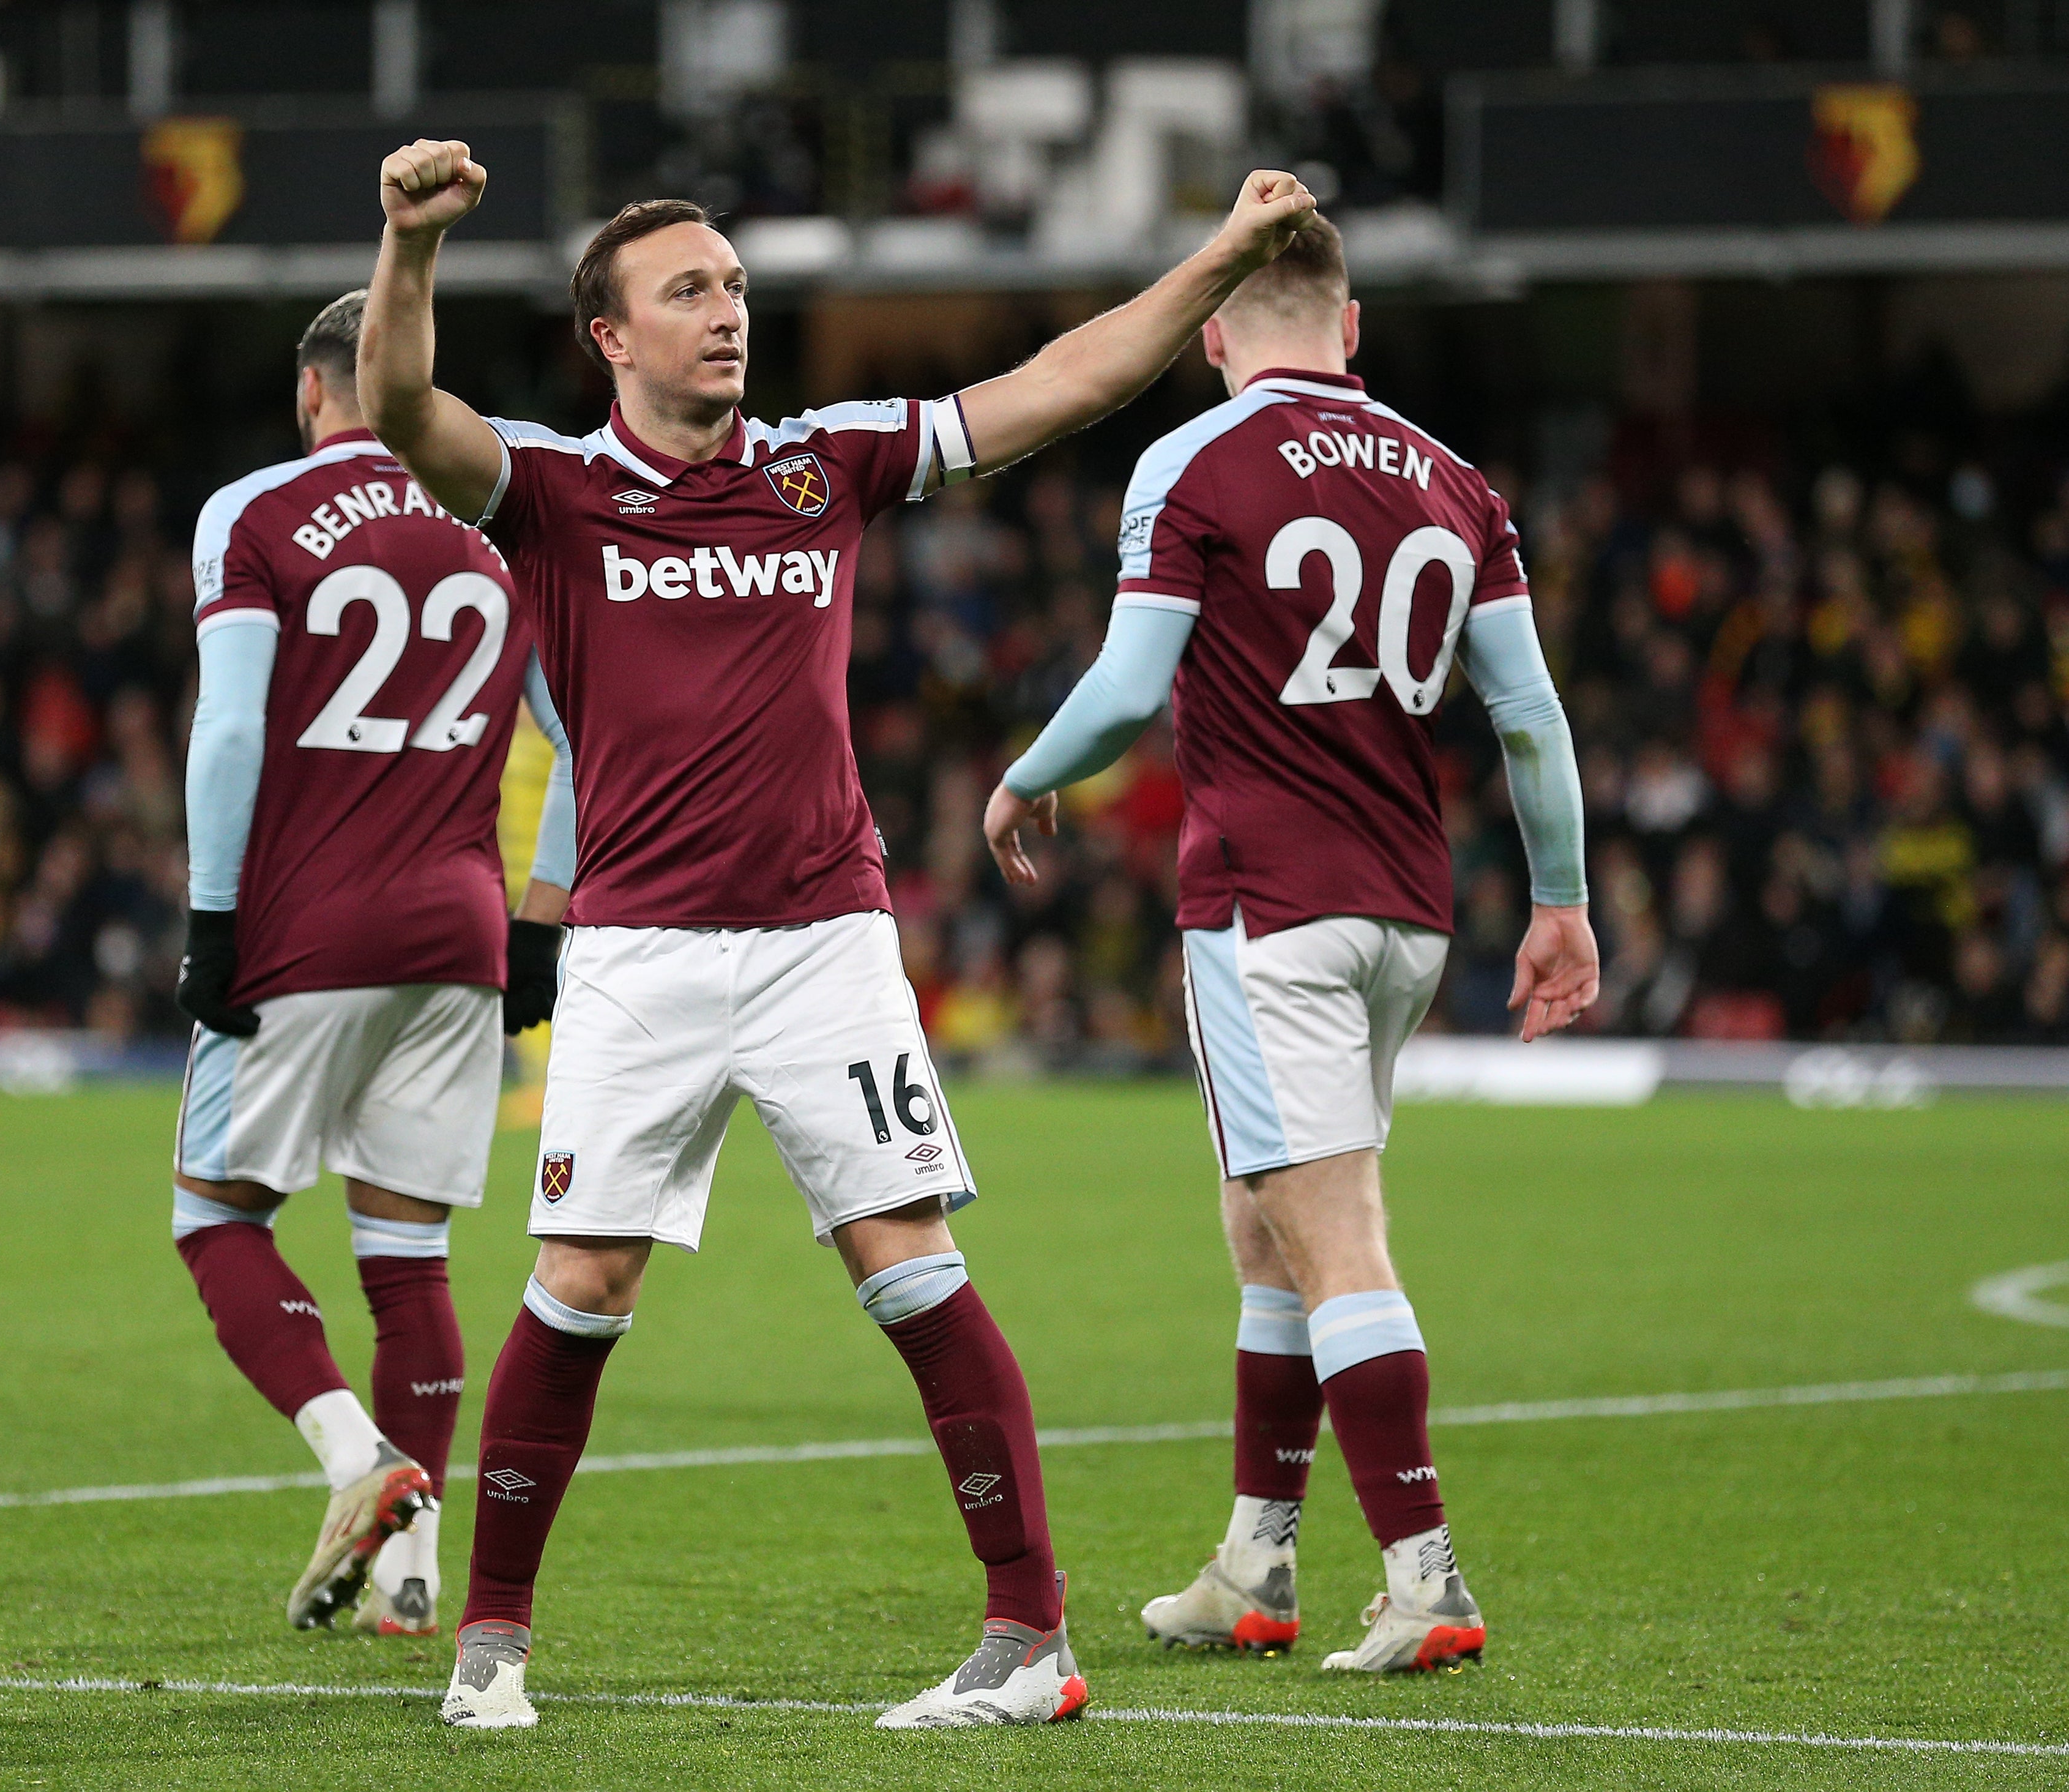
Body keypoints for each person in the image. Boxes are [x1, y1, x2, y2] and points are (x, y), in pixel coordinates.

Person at [359, 137, 1315, 1730]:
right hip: (639, 955)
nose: (726, 310)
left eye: (734, 283)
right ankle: (492, 1645)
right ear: (611, 334)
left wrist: (1221, 256)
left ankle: (1029, 1640)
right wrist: (408, 249)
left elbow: (1065, 382)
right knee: (577, 1283)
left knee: (912, 1266)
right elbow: (401, 408)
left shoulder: (831, 460)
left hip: (823, 946)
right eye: (688, 290)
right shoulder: (553, 487)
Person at [982, 216, 1597, 1674]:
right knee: (1265, 1220)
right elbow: (1527, 714)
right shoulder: (1458, 482)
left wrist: (1025, 772)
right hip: (1406, 910)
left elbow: (1134, 686)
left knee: (1330, 1233)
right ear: (1354, 326)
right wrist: (1562, 900)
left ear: (1210, 333)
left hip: (1267, 907)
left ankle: (1426, 1574)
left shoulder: (1193, 462)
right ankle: (1255, 1567)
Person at [173, 289, 576, 1638]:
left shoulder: (256, 511)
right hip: (461, 933)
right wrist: (538, 923)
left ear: (310, 391)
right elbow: (585, 745)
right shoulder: (501, 525)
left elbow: (231, 730)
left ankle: (360, 1464)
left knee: (219, 1215)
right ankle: (411, 1582)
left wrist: (211, 918)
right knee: (408, 1261)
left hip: (306, 926)